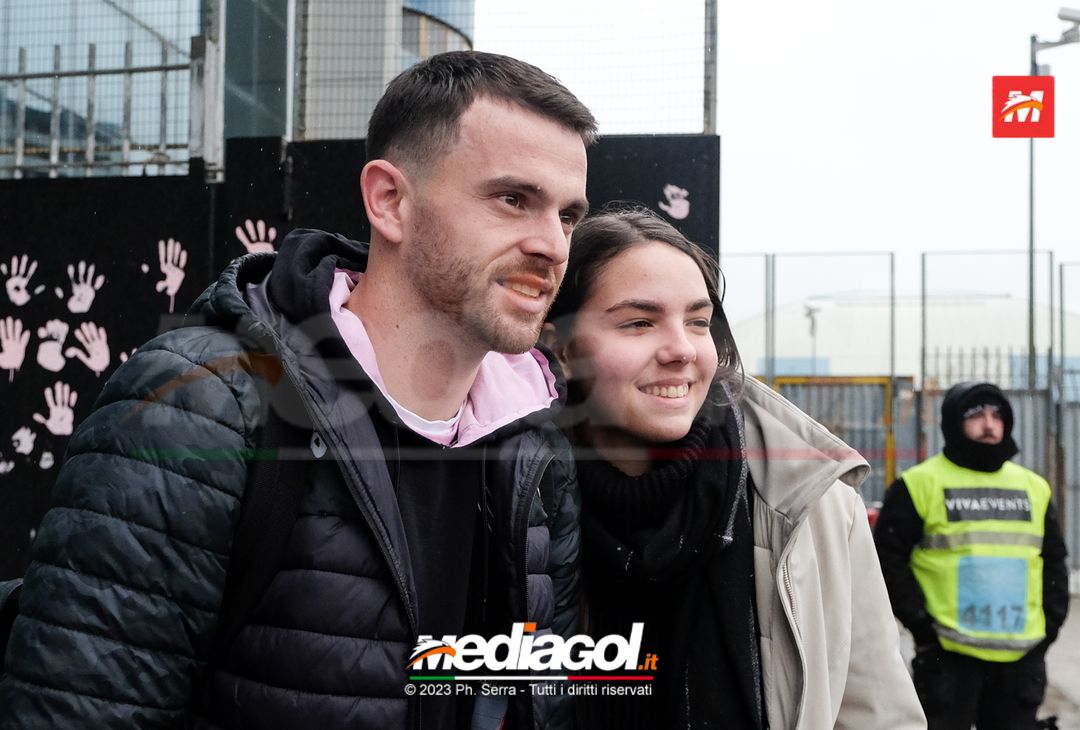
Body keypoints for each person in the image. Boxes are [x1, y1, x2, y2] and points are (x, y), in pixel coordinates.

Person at [0, 51, 596, 729]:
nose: (552, 245)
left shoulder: (537, 449)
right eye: (513, 199)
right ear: (390, 201)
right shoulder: (202, 404)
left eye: (568, 216)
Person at [542, 206, 925, 729]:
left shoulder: (815, 507)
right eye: (639, 323)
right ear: (561, 349)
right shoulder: (509, 503)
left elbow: (878, 716)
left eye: (698, 322)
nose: (681, 349)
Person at [874, 381, 1069, 730]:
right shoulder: (919, 484)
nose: (989, 424)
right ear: (953, 422)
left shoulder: (1033, 487)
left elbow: (1054, 562)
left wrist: (1048, 630)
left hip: (1020, 659)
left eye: (997, 415)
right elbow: (887, 561)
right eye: (976, 415)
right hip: (948, 658)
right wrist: (923, 628)